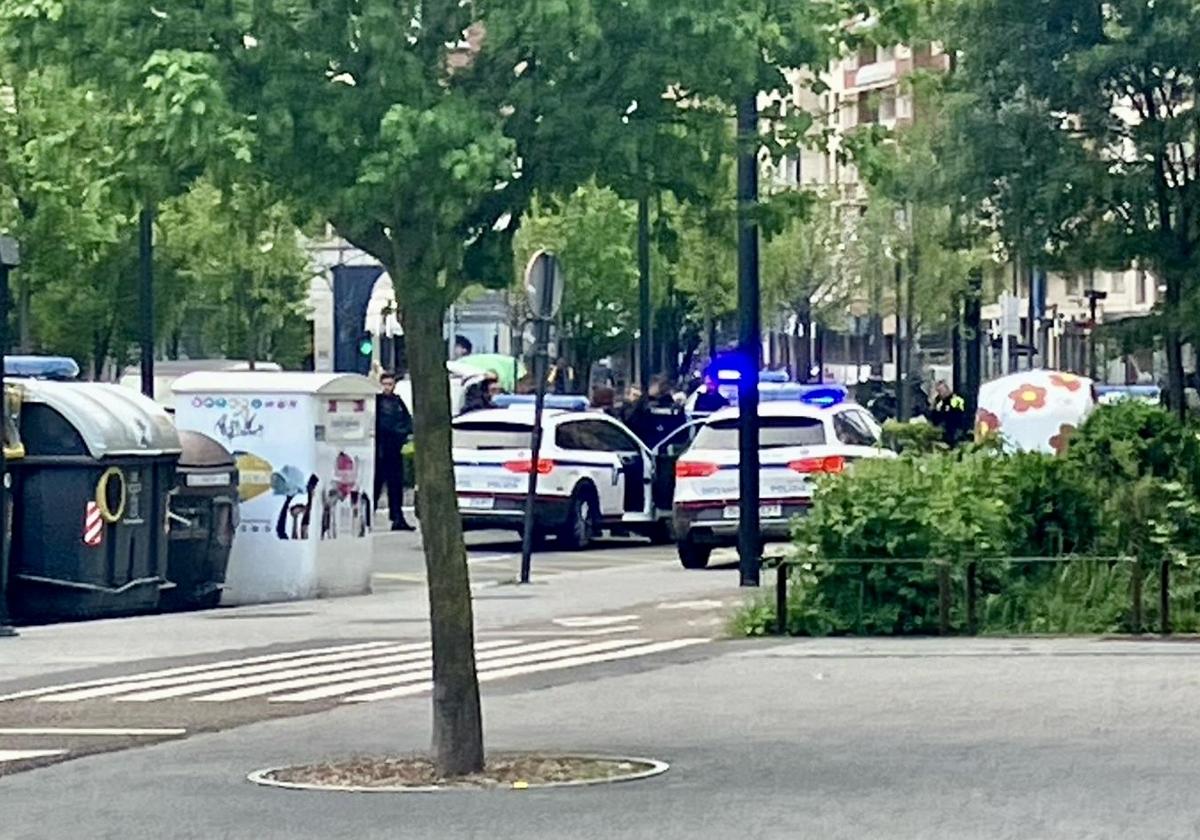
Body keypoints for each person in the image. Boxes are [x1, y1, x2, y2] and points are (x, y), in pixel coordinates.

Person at [374, 371, 414, 531]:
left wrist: (403, 433)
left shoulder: (398, 402)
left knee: (395, 485)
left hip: (394, 449)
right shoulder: (376, 402)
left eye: (390, 384)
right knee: (376, 485)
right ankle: (368, 516)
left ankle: (397, 517)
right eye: (385, 384)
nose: (387, 388)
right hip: (380, 449)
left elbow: (407, 420)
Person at [930, 380, 967, 445]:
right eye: (939, 391)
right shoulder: (939, 401)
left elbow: (957, 414)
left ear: (947, 389)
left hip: (955, 429)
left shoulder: (955, 399)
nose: (941, 393)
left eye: (942, 390)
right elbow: (934, 416)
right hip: (944, 430)